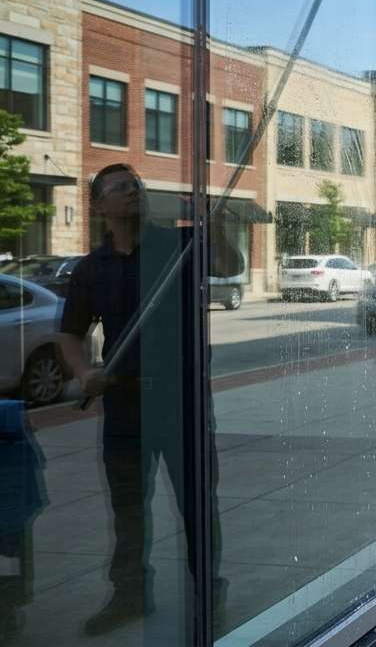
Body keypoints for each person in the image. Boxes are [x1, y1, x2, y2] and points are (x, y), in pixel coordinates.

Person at [56, 163, 242, 636]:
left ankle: (208, 595)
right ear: (99, 205)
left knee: (197, 505)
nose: (133, 191)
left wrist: (218, 228)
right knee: (128, 509)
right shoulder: (91, 269)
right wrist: (84, 372)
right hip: (125, 404)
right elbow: (71, 334)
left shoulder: (181, 246)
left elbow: (228, 266)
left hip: (182, 401)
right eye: (121, 187)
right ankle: (130, 595)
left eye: (136, 184)